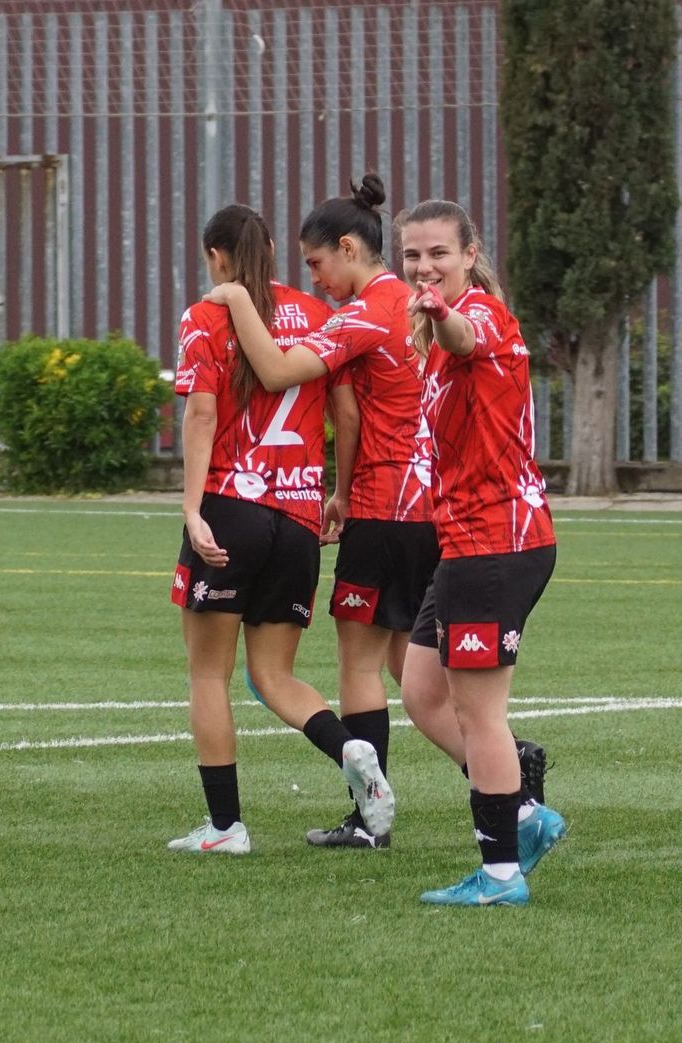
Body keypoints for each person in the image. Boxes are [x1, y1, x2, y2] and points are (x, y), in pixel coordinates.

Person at [212, 175, 550, 851]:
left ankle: (377, 817)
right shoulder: (417, 308)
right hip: (439, 513)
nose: (317, 280)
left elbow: (287, 375)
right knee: (415, 665)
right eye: (415, 256)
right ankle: (510, 777)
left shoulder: (374, 310)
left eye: (316, 265)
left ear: (346, 248)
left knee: (359, 662)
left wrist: (231, 298)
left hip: (393, 505)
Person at [168, 203, 394, 855]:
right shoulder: (320, 313)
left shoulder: (208, 313)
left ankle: (224, 826)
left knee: (208, 674)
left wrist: (191, 509)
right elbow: (347, 413)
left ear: (217, 257)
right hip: (297, 517)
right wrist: (339, 492)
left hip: (232, 508)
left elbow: (201, 415)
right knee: (274, 674)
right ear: (272, 246)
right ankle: (350, 747)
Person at [391, 199, 564, 907]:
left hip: (496, 541)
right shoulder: (435, 331)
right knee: (422, 690)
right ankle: (523, 810)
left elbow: (464, 336)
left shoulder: (481, 316)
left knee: (478, 710)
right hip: (465, 539)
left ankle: (499, 872)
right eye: (412, 256)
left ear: (470, 253)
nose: (424, 267)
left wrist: (438, 312)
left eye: (438, 252)